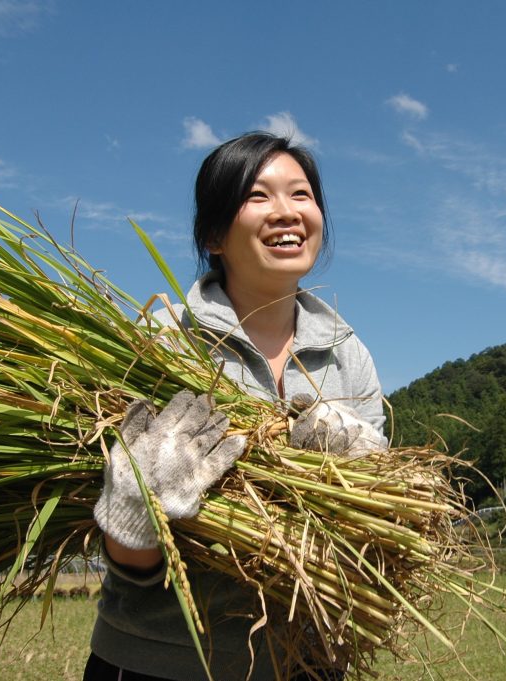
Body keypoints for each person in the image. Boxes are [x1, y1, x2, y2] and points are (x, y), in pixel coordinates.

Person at [85, 132, 387, 681]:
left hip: (306, 661)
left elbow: (376, 528)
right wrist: (135, 515)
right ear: (214, 234)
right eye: (257, 196)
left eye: (301, 195)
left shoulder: (349, 354)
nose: (286, 213)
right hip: (162, 662)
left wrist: (365, 469)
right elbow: (125, 556)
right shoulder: (165, 339)